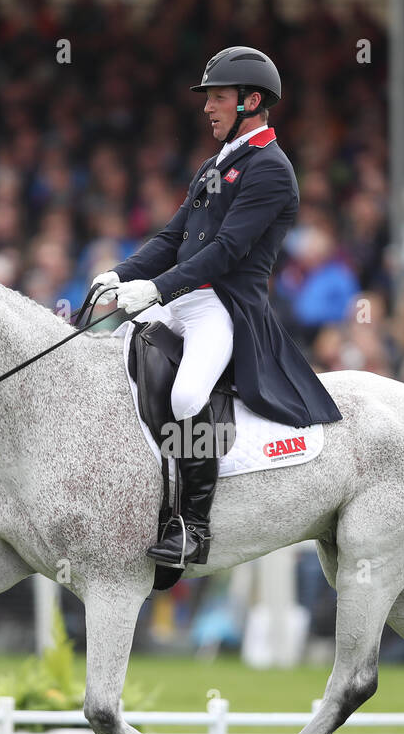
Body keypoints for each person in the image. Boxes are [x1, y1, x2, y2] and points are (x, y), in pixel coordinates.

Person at [94, 46, 343, 569]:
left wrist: (156, 290)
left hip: (222, 306)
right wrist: (122, 273)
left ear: (251, 102)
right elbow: (173, 237)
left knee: (186, 396)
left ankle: (192, 526)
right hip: (182, 295)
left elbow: (226, 251)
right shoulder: (216, 163)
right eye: (208, 97)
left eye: (218, 97)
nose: (208, 107)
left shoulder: (271, 170)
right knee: (110, 365)